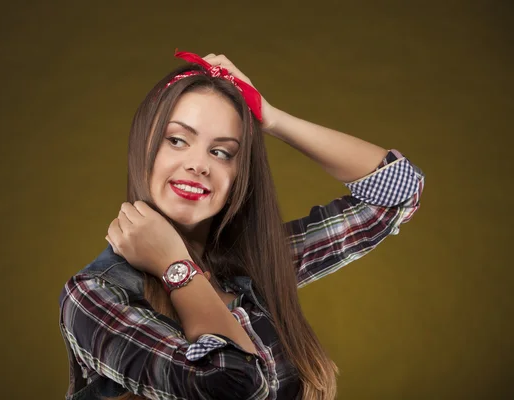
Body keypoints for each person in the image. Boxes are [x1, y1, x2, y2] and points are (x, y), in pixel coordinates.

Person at [58, 50, 425, 400]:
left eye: (222, 152)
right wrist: (176, 267)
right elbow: (232, 386)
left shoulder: (256, 263)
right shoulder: (95, 295)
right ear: (144, 147)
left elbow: (396, 192)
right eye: (177, 140)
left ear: (239, 175)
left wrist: (273, 119)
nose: (198, 164)